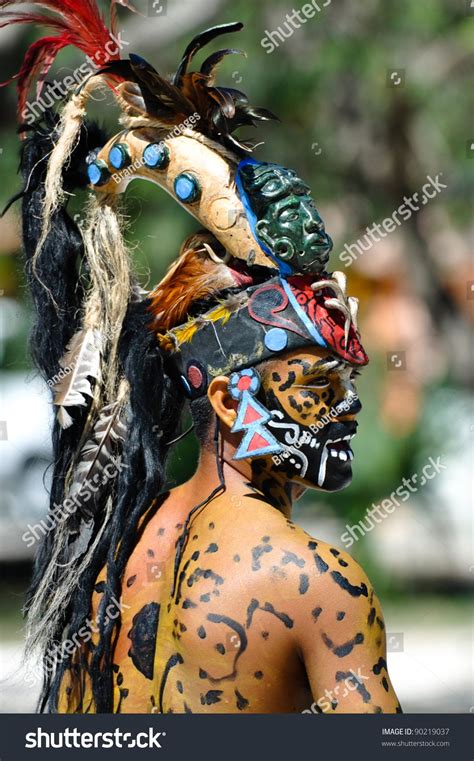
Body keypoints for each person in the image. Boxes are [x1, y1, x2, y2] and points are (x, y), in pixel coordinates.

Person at [2, 1, 400, 713]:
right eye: (317, 381)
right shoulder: (317, 584)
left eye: (345, 379)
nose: (350, 403)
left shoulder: (103, 561)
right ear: (223, 397)